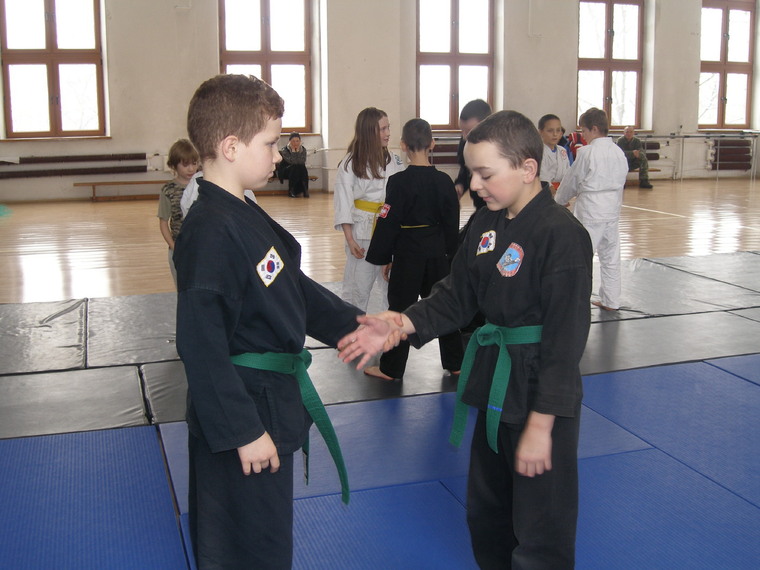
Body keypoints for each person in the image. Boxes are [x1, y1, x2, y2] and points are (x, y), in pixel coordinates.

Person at [338, 110, 593, 569]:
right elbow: (457, 295)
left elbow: (565, 342)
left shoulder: (562, 235)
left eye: (485, 174)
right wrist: (402, 323)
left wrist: (541, 427)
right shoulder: (486, 223)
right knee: (488, 511)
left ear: (527, 169)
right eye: (471, 172)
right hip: (493, 381)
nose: (474, 184)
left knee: (542, 520)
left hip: (540, 391)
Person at [174, 74, 368, 569]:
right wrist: (243, 429)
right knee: (243, 541)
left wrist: (355, 324)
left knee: (265, 532)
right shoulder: (210, 231)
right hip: (241, 409)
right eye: (270, 143)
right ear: (231, 147)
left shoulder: (240, 209)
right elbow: (200, 345)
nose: (279, 155)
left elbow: (289, 286)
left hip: (267, 400)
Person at [363, 118, 463, 381]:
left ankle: (391, 368)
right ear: (432, 144)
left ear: (403, 145)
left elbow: (388, 221)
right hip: (437, 253)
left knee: (400, 309)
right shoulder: (444, 181)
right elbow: (452, 222)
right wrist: (450, 255)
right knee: (444, 305)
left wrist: (385, 256)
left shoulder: (398, 182)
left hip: (408, 254)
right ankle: (456, 362)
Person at [556, 107, 629, 311]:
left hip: (591, 210)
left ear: (594, 129)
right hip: (612, 208)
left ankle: (576, 302)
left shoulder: (588, 153)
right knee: (610, 256)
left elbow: (572, 180)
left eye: (584, 131)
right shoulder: (618, 151)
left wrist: (559, 200)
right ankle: (611, 300)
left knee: (581, 257)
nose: (583, 135)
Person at [333, 107, 405, 312]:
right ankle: (353, 326)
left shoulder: (394, 160)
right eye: (383, 129)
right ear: (368, 131)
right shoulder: (350, 163)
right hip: (362, 231)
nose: (388, 133)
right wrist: (350, 239)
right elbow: (343, 201)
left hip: (389, 228)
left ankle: (389, 326)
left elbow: (401, 195)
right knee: (358, 286)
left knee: (390, 285)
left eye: (388, 127)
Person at [157, 138, 199, 285]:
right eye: (185, 165)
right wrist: (175, 248)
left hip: (200, 247)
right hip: (179, 248)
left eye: (194, 163)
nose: (191, 169)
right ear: (174, 165)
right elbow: (163, 223)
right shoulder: (168, 190)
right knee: (182, 287)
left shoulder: (202, 185)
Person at [455, 99, 492, 210]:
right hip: (479, 205)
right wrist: (460, 184)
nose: (465, 137)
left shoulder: (498, 149)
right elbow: (465, 169)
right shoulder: (465, 142)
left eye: (469, 131)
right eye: (462, 131)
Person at [538, 114, 570, 194]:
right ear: (540, 132)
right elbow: (543, 178)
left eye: (558, 130)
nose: (555, 134)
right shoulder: (538, 151)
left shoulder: (562, 150)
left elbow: (568, 174)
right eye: (550, 131)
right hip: (545, 192)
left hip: (562, 191)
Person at [278, 132, 310, 198]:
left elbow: (302, 161)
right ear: (289, 141)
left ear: (300, 141)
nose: (295, 143)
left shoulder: (303, 150)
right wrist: (293, 151)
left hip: (298, 170)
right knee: (295, 167)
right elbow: (292, 162)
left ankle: (305, 190)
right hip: (286, 170)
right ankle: (291, 190)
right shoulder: (285, 150)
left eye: (297, 141)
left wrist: (298, 151)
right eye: (293, 141)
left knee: (301, 167)